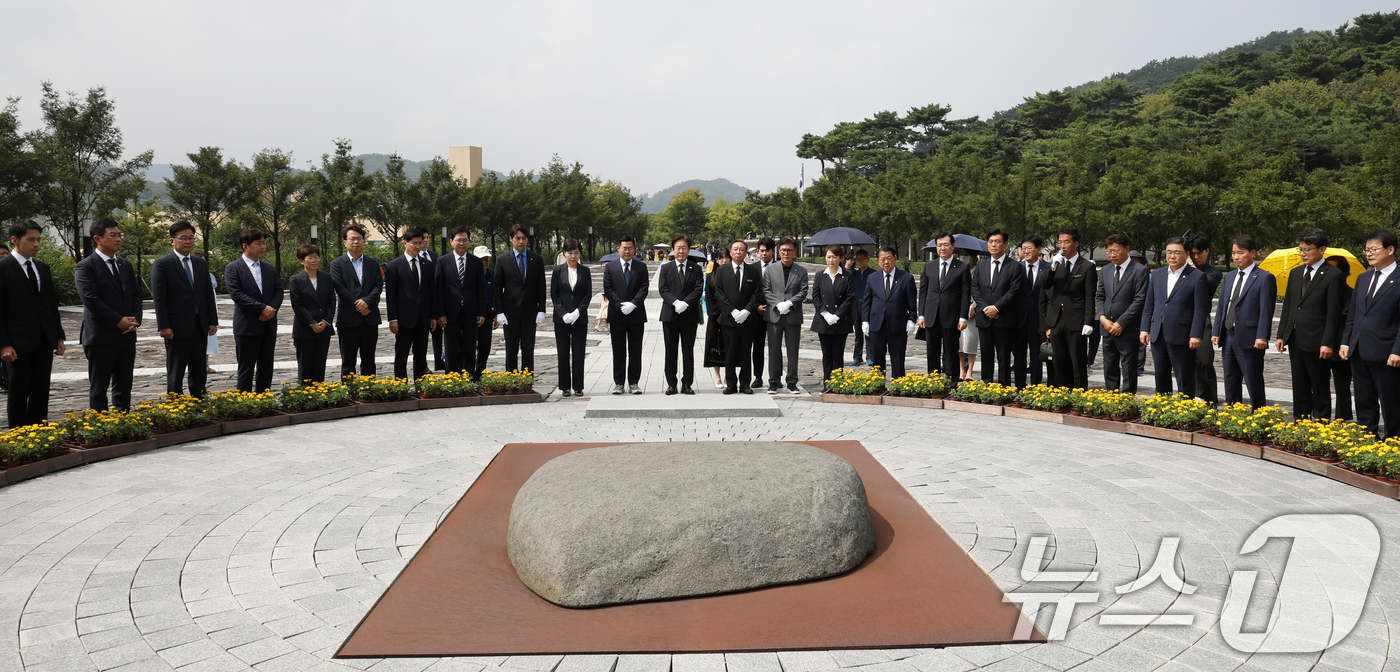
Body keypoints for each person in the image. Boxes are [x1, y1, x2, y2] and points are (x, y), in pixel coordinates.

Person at [1275, 228, 1346, 420]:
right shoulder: (1296, 273)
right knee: (1300, 386)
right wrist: (1281, 334)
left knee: (1319, 385)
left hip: (1318, 341)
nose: (1303, 254)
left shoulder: (1333, 275)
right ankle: (1301, 424)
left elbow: (1334, 314)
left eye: (1308, 249)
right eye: (1301, 249)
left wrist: (1328, 342)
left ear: (1322, 249)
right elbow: (1289, 305)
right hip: (1296, 337)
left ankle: (1321, 425)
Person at [0, 221, 65, 427]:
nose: (36, 244)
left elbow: (50, 305)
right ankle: (19, 438)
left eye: (38, 239)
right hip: (17, 343)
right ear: (14, 240)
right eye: (31, 239)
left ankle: (39, 434)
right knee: (19, 391)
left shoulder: (42, 268)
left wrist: (58, 335)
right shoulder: (3, 268)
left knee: (41, 390)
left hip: (44, 341)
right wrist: (3, 344)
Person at [74, 218, 141, 412]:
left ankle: (122, 422)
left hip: (127, 334)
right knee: (99, 387)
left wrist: (134, 320)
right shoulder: (86, 267)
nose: (118, 239)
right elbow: (91, 300)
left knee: (124, 383)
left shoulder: (125, 265)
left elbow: (136, 295)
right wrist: (117, 321)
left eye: (119, 235)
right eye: (113, 235)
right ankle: (101, 427)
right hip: (101, 336)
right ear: (97, 239)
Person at [1340, 230, 1400, 437]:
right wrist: (1346, 342)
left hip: (1386, 354)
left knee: (1391, 403)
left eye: (1374, 249)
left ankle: (1393, 444)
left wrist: (1397, 351)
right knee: (1364, 401)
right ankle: (1367, 441)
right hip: (1359, 351)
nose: (1369, 254)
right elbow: (1354, 315)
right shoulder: (1363, 278)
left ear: (1390, 250)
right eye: (1366, 250)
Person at [152, 221, 218, 398]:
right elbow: (160, 298)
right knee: (176, 369)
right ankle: (176, 406)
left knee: (198, 369)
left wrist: (212, 321)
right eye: (183, 238)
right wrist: (163, 325)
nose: (188, 242)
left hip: (199, 324)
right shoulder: (162, 264)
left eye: (191, 238)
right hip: (176, 327)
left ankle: (199, 401)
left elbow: (207, 294)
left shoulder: (200, 263)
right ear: (172, 241)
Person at [1211, 235, 1276, 408]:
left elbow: (1266, 311)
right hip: (1228, 336)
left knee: (1252, 378)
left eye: (1240, 252)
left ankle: (1259, 412)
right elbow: (1223, 306)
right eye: (1233, 253)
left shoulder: (1264, 278)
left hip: (1250, 338)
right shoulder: (1229, 277)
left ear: (1252, 253)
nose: (1236, 256)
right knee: (1230, 378)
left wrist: (1262, 336)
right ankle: (1232, 412)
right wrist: (1217, 331)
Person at [1140, 237, 1209, 396]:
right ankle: (1162, 410)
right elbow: (1150, 304)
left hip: (1182, 335)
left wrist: (1196, 334)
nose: (1172, 256)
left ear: (1187, 254)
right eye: (1169, 252)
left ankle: (1185, 413)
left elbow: (1200, 309)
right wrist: (1144, 329)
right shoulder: (1157, 274)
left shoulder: (1197, 276)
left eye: (1177, 253)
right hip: (1158, 333)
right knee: (1161, 376)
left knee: (1184, 378)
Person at [225, 230, 283, 393]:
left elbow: (278, 290)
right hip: (247, 326)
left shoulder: (269, 268)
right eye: (258, 244)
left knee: (266, 366)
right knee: (246, 368)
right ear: (245, 246)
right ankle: (245, 404)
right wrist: (262, 308)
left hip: (268, 325)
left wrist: (271, 309)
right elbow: (237, 294)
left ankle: (264, 400)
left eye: (264, 243)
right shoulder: (233, 268)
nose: (263, 247)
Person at [1041, 227, 1098, 389]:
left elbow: (1089, 296)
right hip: (1057, 320)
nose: (1063, 246)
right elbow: (1045, 285)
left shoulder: (1087, 266)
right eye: (1060, 242)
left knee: (1077, 362)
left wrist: (1088, 321)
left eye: (1066, 242)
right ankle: (1061, 395)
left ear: (1076, 243)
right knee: (1059, 361)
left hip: (1077, 320)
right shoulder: (1057, 264)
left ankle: (1079, 396)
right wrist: (1052, 266)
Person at [1095, 234, 1149, 394]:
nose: (1112, 254)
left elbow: (1140, 300)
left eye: (1116, 251)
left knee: (1129, 369)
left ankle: (1127, 401)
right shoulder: (1105, 270)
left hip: (1127, 329)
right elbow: (1099, 296)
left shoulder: (1139, 271)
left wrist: (1121, 323)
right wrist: (1103, 318)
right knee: (1109, 367)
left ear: (1126, 250)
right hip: (1107, 327)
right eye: (1109, 251)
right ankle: (1111, 399)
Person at [970, 229, 1025, 386]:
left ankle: (1003, 387)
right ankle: (987, 384)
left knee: (1003, 355)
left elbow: (1014, 291)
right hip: (984, 318)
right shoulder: (981, 266)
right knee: (986, 354)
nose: (993, 245)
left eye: (997, 242)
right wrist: (987, 308)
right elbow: (975, 289)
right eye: (991, 242)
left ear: (1005, 245)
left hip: (1004, 318)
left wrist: (997, 308)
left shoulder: (1014, 266)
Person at [330, 225, 383, 379]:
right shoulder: (337, 263)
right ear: (345, 242)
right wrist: (359, 305)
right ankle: (349, 392)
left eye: (359, 238)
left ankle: (369, 390)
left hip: (370, 318)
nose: (356, 242)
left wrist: (366, 302)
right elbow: (339, 287)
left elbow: (378, 285)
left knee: (369, 359)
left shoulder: (372, 263)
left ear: (363, 242)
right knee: (348, 360)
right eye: (352, 238)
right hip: (348, 319)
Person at [494, 224, 546, 373]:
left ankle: (527, 379)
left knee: (528, 348)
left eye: (524, 238)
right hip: (510, 311)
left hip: (530, 310)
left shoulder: (536, 259)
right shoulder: (503, 260)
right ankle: (511, 378)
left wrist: (541, 309)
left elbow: (541, 286)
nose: (521, 241)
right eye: (518, 238)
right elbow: (497, 289)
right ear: (511, 239)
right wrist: (499, 312)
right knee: (511, 349)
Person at [386, 229, 437, 381]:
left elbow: (431, 292)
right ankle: (401, 384)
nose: (417, 246)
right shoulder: (395, 265)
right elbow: (391, 295)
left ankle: (421, 384)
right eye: (414, 243)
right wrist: (393, 318)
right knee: (402, 352)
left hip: (423, 317)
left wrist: (433, 316)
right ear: (405, 243)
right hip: (403, 318)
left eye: (420, 243)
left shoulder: (427, 264)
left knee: (421, 353)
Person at [918, 232, 970, 378]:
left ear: (953, 247)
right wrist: (921, 314)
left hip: (951, 317)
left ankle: (952, 383)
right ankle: (933, 380)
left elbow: (965, 294)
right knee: (932, 351)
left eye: (946, 245)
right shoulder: (929, 267)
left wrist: (963, 317)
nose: (942, 248)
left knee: (951, 351)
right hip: (931, 316)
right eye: (939, 245)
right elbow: (923, 293)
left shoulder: (962, 267)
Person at [436, 228, 487, 377]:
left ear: (469, 242)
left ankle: (469, 380)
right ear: (451, 241)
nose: (461, 243)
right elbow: (439, 289)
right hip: (450, 312)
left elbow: (480, 289)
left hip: (471, 312)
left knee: (470, 349)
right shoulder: (442, 261)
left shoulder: (476, 262)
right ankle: (452, 381)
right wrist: (441, 314)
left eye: (465, 240)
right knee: (451, 349)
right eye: (458, 240)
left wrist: (481, 312)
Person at [862, 247, 918, 379]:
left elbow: (911, 302)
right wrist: (865, 320)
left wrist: (911, 319)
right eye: (882, 259)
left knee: (898, 359)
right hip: (877, 325)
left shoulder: (906, 278)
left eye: (889, 258)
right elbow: (867, 301)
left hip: (897, 325)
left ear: (895, 259)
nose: (886, 262)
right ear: (878, 261)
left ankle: (898, 388)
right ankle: (878, 386)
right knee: (877, 360)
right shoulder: (872, 278)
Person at [763, 236, 809, 394]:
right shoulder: (770, 269)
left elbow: (803, 291)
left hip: (792, 315)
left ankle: (792, 381)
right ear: (778, 251)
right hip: (774, 315)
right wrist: (777, 304)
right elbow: (766, 290)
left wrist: (789, 303)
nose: (786, 253)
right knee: (774, 350)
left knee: (792, 350)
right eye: (783, 250)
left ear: (795, 252)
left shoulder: (801, 271)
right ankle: (774, 382)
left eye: (789, 250)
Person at [658, 235, 703, 395]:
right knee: (670, 350)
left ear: (689, 250)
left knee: (688, 350)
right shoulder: (666, 268)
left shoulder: (696, 268)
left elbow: (698, 289)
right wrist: (675, 303)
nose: (681, 250)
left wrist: (686, 303)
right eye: (678, 247)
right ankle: (671, 383)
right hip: (670, 315)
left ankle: (687, 383)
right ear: (672, 250)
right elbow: (663, 289)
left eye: (684, 247)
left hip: (689, 315)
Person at [603, 236, 649, 394]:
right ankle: (619, 383)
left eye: (630, 248)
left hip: (636, 315)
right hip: (617, 314)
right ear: (618, 249)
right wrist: (620, 304)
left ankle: (634, 382)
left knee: (635, 350)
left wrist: (633, 304)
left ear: (634, 249)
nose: (627, 251)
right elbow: (608, 289)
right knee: (618, 350)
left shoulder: (641, 267)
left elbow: (644, 288)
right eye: (624, 248)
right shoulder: (610, 267)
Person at [715, 240, 761, 394]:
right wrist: (732, 311)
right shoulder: (722, 271)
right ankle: (731, 384)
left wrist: (747, 310)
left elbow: (756, 293)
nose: (738, 252)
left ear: (746, 252)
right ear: (730, 252)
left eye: (741, 249)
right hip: (729, 319)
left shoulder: (753, 271)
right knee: (730, 352)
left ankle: (745, 383)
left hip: (748, 319)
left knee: (746, 351)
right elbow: (719, 293)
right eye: (735, 249)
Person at [288, 244, 335, 383]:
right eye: (310, 258)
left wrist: (326, 321)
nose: (314, 260)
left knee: (320, 365)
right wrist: (311, 323)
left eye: (316, 257)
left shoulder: (327, 278)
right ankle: (306, 397)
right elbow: (297, 305)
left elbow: (332, 302)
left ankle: (319, 396)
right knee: (305, 366)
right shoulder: (296, 280)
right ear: (301, 261)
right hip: (305, 329)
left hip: (323, 328)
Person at [551, 239, 592, 397]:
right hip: (561, 319)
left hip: (580, 319)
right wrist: (563, 313)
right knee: (562, 352)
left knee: (578, 352)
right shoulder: (557, 270)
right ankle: (565, 387)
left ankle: (578, 386)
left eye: (576, 253)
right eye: (570, 253)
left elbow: (587, 294)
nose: (573, 256)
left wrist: (578, 312)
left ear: (580, 253)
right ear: (564, 254)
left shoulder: (585, 271)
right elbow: (554, 294)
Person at [812, 244, 854, 388]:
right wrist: (825, 314)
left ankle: (837, 384)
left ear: (841, 258)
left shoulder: (847, 276)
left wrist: (837, 316)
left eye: (834, 257)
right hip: (823, 321)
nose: (831, 260)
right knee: (826, 354)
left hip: (840, 321)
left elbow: (849, 298)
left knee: (838, 353)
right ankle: (827, 383)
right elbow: (816, 297)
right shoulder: (820, 275)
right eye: (828, 257)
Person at [1188, 237, 1223, 403]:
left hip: (1202, 320)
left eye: (1198, 253)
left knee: (1204, 360)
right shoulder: (1182, 271)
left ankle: (1209, 399)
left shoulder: (1213, 272)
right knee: (1187, 363)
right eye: (1192, 254)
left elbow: (1203, 282)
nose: (1195, 257)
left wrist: (1190, 267)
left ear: (1207, 251)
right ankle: (1193, 396)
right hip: (1183, 320)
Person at [1016, 235, 1051, 387]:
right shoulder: (1015, 268)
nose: (1026, 251)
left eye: (1029, 248)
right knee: (1019, 355)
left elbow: (1051, 297)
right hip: (1018, 319)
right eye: (1023, 249)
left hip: (1038, 320)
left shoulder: (1048, 269)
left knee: (1037, 355)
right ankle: (1019, 386)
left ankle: (1035, 387)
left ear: (1039, 249)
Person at [1329, 255, 1355, 420]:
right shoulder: (1321, 291)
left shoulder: (1350, 294)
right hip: (1320, 345)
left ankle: (1342, 417)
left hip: (1341, 347)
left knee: (1342, 385)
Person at [750, 237, 776, 389]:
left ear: (773, 251)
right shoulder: (752, 268)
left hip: (775, 312)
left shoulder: (779, 267)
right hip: (757, 313)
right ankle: (758, 377)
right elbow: (750, 291)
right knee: (757, 346)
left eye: (767, 250)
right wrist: (757, 306)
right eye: (761, 251)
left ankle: (776, 377)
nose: (764, 254)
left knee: (775, 346)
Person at [704, 250, 730, 389]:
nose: (724, 260)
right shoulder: (710, 277)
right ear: (717, 260)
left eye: (727, 258)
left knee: (728, 346)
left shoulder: (733, 275)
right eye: (721, 258)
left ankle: (728, 376)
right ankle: (717, 377)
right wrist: (715, 315)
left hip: (730, 317)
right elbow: (708, 298)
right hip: (715, 317)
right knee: (714, 346)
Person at [847, 249, 875, 366]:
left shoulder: (873, 274)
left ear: (868, 259)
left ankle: (870, 356)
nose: (860, 262)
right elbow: (843, 277)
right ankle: (857, 356)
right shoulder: (853, 273)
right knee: (858, 332)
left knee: (868, 332)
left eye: (862, 259)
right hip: (855, 304)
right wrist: (848, 267)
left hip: (868, 304)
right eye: (858, 260)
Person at [419, 244, 445, 371]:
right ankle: (423, 365)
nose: (425, 241)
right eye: (422, 239)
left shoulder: (433, 255)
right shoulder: (414, 258)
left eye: (427, 238)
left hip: (433, 300)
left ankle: (438, 361)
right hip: (419, 306)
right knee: (421, 341)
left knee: (437, 334)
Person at [475, 245, 496, 373]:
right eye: (482, 259)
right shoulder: (470, 273)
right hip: (472, 313)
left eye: (486, 258)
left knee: (485, 345)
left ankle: (480, 372)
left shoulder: (492, 274)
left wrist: (497, 314)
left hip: (487, 313)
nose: (484, 261)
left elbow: (496, 294)